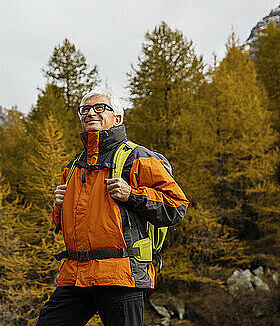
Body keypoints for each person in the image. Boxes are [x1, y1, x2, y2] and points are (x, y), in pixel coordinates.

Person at [35, 87, 189, 326]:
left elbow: (176, 207)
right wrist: (59, 206)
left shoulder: (138, 157)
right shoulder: (74, 166)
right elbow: (66, 225)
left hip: (121, 275)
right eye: (85, 109)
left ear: (118, 118)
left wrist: (132, 195)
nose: (90, 113)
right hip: (76, 276)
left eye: (99, 108)